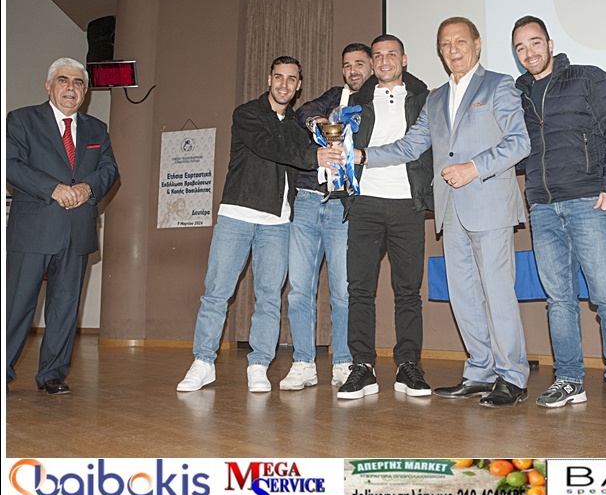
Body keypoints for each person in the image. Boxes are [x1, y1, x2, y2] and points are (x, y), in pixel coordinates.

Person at [358, 18, 531, 408]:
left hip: (489, 205)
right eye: (445, 44)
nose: (453, 50)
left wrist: (474, 167)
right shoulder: (435, 98)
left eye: (460, 42)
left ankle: (512, 376)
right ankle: (480, 370)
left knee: (497, 294)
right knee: (463, 295)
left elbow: (520, 142)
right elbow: (408, 146)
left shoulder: (499, 85)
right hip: (450, 211)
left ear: (477, 44)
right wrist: (362, 155)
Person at [177, 56, 343, 393]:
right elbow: (271, 148)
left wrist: (332, 157)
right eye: (278, 77)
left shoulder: (298, 126)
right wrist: (314, 156)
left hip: (278, 223)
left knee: (269, 298)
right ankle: (203, 362)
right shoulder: (247, 114)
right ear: (269, 79)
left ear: (298, 86)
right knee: (216, 293)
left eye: (291, 79)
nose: (284, 84)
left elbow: (307, 160)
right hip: (237, 215)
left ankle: (259, 364)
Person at [511, 15, 606, 415]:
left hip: (591, 202)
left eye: (535, 43)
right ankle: (569, 379)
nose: (529, 53)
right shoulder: (518, 95)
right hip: (542, 207)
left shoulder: (587, 77)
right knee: (559, 301)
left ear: (550, 43)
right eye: (520, 48)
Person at [6, 57, 119, 394]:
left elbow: (109, 170)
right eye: (63, 80)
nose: (71, 87)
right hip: (33, 229)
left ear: (85, 91)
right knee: (16, 305)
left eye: (78, 82)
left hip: (78, 229)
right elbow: (10, 164)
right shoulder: (22, 119)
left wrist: (87, 189)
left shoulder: (97, 128)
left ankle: (52, 374)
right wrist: (53, 189)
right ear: (48, 86)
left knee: (66, 306)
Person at [335, 34, 434, 400]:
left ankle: (408, 365)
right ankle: (362, 366)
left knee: (408, 291)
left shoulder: (425, 99)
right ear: (372, 63)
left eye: (392, 54)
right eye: (377, 56)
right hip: (364, 204)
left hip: (408, 204)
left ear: (404, 59)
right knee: (359, 290)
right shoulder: (354, 102)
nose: (385, 61)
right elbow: (339, 145)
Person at [279, 43, 373, 391]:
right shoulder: (335, 96)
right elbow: (304, 110)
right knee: (299, 290)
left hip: (343, 206)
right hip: (307, 199)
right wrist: (318, 122)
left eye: (359, 64)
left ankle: (343, 362)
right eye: (347, 65)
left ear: (372, 66)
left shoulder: (377, 104)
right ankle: (303, 361)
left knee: (343, 291)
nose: (353, 70)